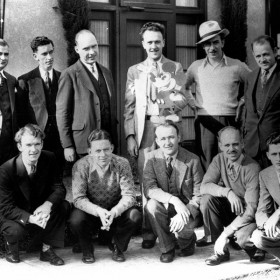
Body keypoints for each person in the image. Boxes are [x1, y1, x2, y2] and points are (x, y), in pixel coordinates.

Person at [124, 22, 188, 249]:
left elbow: (182, 99)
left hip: (167, 128)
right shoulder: (135, 70)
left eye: (157, 41)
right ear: (143, 44)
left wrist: (167, 113)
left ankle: (172, 223)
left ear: (163, 42)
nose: (153, 46)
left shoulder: (175, 67)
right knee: (146, 179)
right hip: (145, 129)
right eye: (149, 42)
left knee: (169, 174)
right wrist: (130, 135)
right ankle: (148, 230)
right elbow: (129, 106)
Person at [0, 124, 70, 265]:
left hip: (39, 208)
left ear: (42, 143)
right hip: (15, 213)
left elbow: (59, 188)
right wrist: (30, 218)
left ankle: (46, 248)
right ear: (20, 146)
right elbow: (6, 207)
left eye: (37, 144)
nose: (34, 149)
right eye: (29, 145)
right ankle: (10, 246)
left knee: (63, 206)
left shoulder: (49, 158)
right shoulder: (6, 169)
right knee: (15, 231)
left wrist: (47, 205)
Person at [185, 20, 250, 170]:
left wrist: (242, 101)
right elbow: (184, 88)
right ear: (203, 47)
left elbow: (253, 84)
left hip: (230, 119)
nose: (212, 48)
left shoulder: (237, 65)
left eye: (215, 42)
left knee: (231, 158)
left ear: (223, 42)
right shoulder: (196, 66)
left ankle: (230, 191)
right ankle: (211, 191)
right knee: (207, 160)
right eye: (207, 44)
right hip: (205, 121)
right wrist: (194, 105)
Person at [69, 129, 141, 264]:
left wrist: (115, 211)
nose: (102, 154)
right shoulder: (81, 166)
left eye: (106, 149)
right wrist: (98, 211)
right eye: (97, 151)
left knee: (135, 215)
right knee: (76, 219)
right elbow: (78, 199)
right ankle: (87, 247)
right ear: (89, 151)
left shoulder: (122, 163)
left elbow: (129, 196)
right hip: (91, 213)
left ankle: (117, 245)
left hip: (114, 214)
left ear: (112, 148)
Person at [199, 126, 263, 266]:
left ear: (242, 144)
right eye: (227, 145)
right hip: (233, 210)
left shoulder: (252, 167)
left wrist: (225, 232)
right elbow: (204, 186)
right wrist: (227, 192)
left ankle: (255, 248)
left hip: (249, 216)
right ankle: (220, 252)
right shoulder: (219, 159)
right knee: (207, 200)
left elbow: (251, 210)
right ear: (220, 146)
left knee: (242, 239)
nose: (231, 149)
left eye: (235, 144)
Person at [143, 121, 204, 263]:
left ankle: (187, 242)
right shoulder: (151, 158)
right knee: (151, 206)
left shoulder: (192, 160)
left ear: (179, 137)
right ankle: (167, 248)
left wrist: (185, 212)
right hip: (166, 207)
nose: (167, 142)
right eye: (163, 139)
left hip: (187, 210)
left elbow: (198, 194)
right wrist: (174, 200)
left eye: (171, 137)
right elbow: (150, 189)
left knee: (185, 230)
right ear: (157, 141)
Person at [56, 29, 118, 163]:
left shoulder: (106, 72)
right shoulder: (69, 74)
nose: (91, 52)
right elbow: (62, 113)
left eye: (94, 46)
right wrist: (67, 145)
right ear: (77, 49)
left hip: (107, 142)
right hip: (83, 144)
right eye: (86, 48)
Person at [17, 36, 64, 178]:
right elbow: (21, 115)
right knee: (37, 178)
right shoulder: (25, 80)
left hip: (59, 140)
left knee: (57, 177)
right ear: (35, 56)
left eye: (51, 52)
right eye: (44, 54)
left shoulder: (63, 78)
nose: (49, 57)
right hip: (37, 140)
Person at [244, 35, 280, 168]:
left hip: (275, 147)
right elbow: (247, 110)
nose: (262, 59)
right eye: (258, 56)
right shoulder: (250, 77)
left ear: (275, 52)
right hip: (252, 146)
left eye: (266, 54)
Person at [251, 131, 280, 262]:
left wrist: (276, 215)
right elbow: (262, 208)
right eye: (274, 154)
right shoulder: (265, 175)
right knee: (257, 237)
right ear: (268, 155)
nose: (278, 158)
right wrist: (266, 224)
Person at [0, 39, 18, 165]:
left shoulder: (11, 81)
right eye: (0, 53)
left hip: (7, 146)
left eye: (6, 54)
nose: (3, 57)